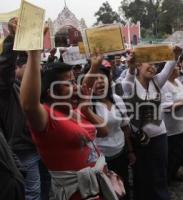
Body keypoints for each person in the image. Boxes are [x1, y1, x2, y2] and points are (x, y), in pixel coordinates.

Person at [20, 47, 111, 199]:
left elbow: (104, 131)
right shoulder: (47, 117)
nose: (76, 87)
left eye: (74, 82)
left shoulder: (76, 109)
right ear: (51, 92)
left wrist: (95, 66)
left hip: (99, 188)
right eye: (69, 84)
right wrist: (34, 53)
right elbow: (29, 105)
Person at [121, 46, 182, 200]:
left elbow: (169, 66)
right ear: (139, 66)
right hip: (139, 140)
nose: (153, 67)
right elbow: (127, 82)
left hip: (159, 137)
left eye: (155, 64)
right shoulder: (130, 84)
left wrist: (176, 53)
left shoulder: (157, 82)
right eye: (148, 63)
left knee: (160, 172)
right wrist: (130, 66)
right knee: (141, 174)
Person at [0, 18, 41, 200]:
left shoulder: (31, 86)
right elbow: (3, 72)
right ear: (17, 67)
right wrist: (13, 41)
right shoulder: (7, 89)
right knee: (33, 193)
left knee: (40, 189)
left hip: (35, 147)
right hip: (21, 149)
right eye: (29, 66)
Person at [83, 63, 136, 200]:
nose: (99, 83)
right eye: (94, 80)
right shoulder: (87, 107)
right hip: (100, 161)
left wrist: (130, 151)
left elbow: (124, 127)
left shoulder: (117, 100)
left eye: (103, 79)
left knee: (122, 188)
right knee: (106, 193)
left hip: (120, 154)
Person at [161, 64, 183, 183]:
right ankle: (168, 177)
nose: (178, 69)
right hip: (172, 128)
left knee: (182, 151)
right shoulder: (164, 85)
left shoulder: (177, 81)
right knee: (172, 154)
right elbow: (167, 108)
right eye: (175, 68)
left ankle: (174, 172)